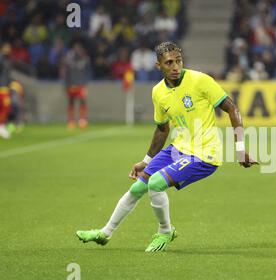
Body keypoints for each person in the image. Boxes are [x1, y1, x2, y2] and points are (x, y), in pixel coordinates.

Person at [76, 41, 258, 252]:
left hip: (205, 154)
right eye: (169, 63)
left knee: (156, 183)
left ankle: (165, 231)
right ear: (158, 66)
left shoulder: (200, 80)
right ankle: (105, 233)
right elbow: (162, 129)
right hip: (178, 148)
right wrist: (145, 161)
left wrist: (240, 149)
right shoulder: (158, 92)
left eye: (178, 61)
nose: (175, 67)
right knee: (138, 187)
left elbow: (232, 109)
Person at [62, 42, 91, 129]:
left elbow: (87, 73)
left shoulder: (85, 60)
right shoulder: (69, 60)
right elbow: (66, 73)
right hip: (71, 85)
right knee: (71, 102)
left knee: (82, 101)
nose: (77, 50)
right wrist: (67, 84)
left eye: (78, 48)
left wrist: (85, 84)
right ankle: (71, 121)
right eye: (75, 48)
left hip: (81, 85)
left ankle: (83, 120)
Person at [0, 43, 12, 139]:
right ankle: (2, 126)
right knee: (5, 106)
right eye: (6, 47)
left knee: (5, 107)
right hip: (1, 87)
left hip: (5, 87)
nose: (8, 49)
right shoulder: (1, 59)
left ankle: (2, 125)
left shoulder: (7, 60)